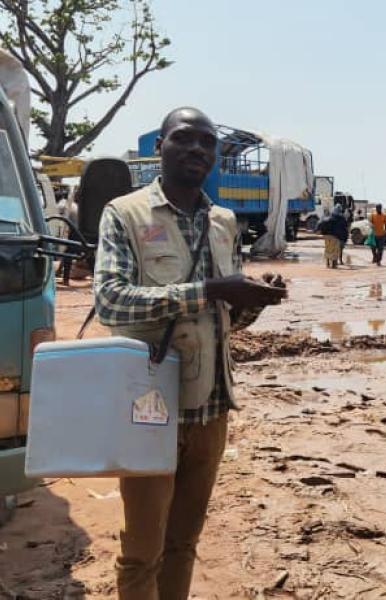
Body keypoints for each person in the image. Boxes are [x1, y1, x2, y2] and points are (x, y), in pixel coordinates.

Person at [94, 107, 286, 600]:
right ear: (159, 146)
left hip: (212, 410)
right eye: (185, 139)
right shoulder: (125, 214)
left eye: (208, 143)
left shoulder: (225, 222)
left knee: (184, 543)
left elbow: (227, 321)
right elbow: (111, 302)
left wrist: (254, 299)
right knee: (142, 549)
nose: (198, 149)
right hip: (150, 408)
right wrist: (210, 289)